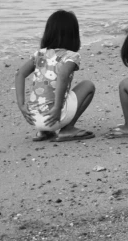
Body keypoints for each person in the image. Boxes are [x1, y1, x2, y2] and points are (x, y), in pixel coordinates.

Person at [15, 10, 96, 142]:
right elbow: (63, 75)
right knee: (88, 86)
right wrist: (58, 107)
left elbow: (19, 74)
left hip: (34, 118)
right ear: (74, 35)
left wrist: (22, 106)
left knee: (44, 93)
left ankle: (44, 133)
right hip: (56, 116)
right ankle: (68, 128)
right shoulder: (71, 56)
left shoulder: (39, 54)